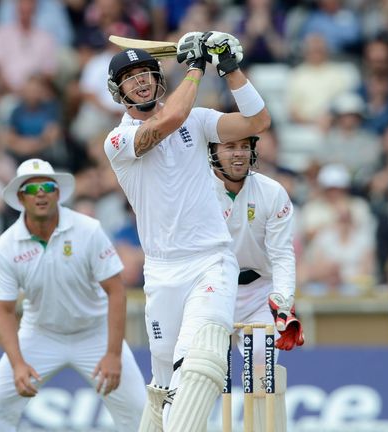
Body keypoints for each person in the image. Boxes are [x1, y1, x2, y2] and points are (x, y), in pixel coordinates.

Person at [103, 30, 271, 430]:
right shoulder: (119, 139)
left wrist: (230, 70)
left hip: (211, 260)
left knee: (200, 359)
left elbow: (258, 121)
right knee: (163, 383)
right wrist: (197, 66)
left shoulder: (198, 121)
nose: (141, 79)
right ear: (118, 90)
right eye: (131, 76)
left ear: (160, 78)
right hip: (161, 271)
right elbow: (170, 118)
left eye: (147, 71)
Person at [0, 158, 146, 431]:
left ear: (57, 192)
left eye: (47, 186)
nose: (40, 193)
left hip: (96, 331)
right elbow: (4, 310)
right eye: (31, 189)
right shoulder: (6, 246)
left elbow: (116, 291)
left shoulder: (88, 230)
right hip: (41, 334)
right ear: (21, 198)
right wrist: (18, 364)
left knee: (139, 409)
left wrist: (113, 354)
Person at [209, 135, 304, 430]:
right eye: (229, 147)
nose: (238, 154)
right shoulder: (196, 190)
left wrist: (283, 304)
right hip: (210, 290)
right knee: (199, 369)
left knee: (262, 365)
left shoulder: (272, 192)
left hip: (259, 290)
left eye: (244, 147)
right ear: (212, 150)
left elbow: (282, 255)